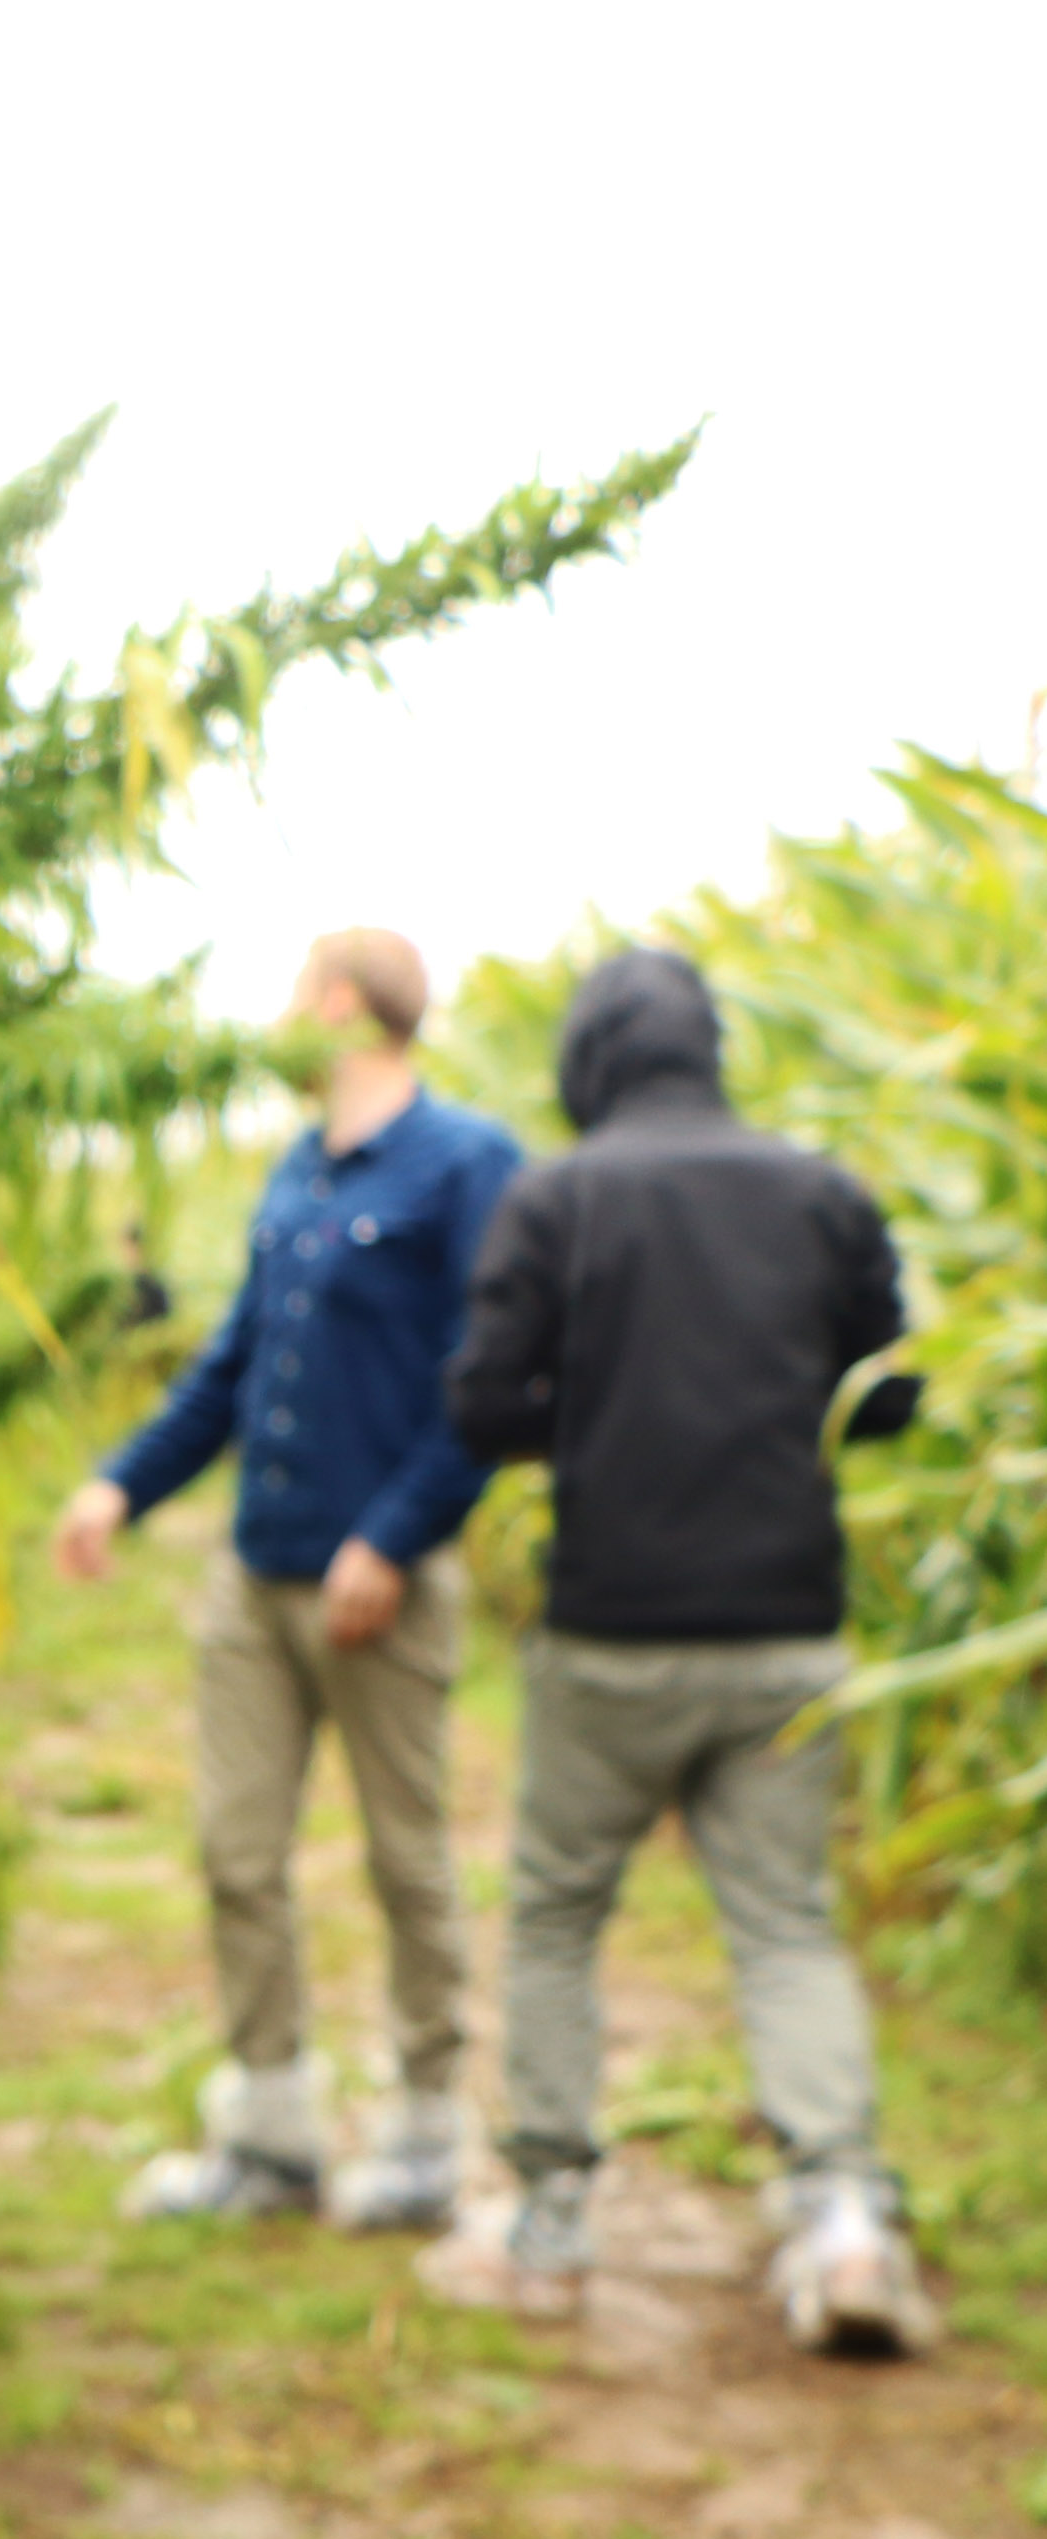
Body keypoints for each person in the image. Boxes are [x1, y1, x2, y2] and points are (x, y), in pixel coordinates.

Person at [441, 946, 930, 2349]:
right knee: (784, 1926)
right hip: (786, 1627)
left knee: (556, 1915)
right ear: (712, 1047)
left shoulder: (560, 1197)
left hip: (613, 1631)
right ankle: (841, 2220)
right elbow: (886, 1397)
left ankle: (548, 2220)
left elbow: (480, 1409)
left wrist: (590, 1425)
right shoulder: (820, 1193)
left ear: (589, 1060)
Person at [55, 931, 523, 2231]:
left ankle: (429, 2134)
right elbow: (231, 1365)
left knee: (404, 1858)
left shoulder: (466, 1164)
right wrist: (121, 1484)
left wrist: (394, 1537)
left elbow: (489, 1381)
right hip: (257, 1580)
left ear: (339, 1006)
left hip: (378, 1585)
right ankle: (270, 2136)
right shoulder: (295, 1173)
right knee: (235, 1851)